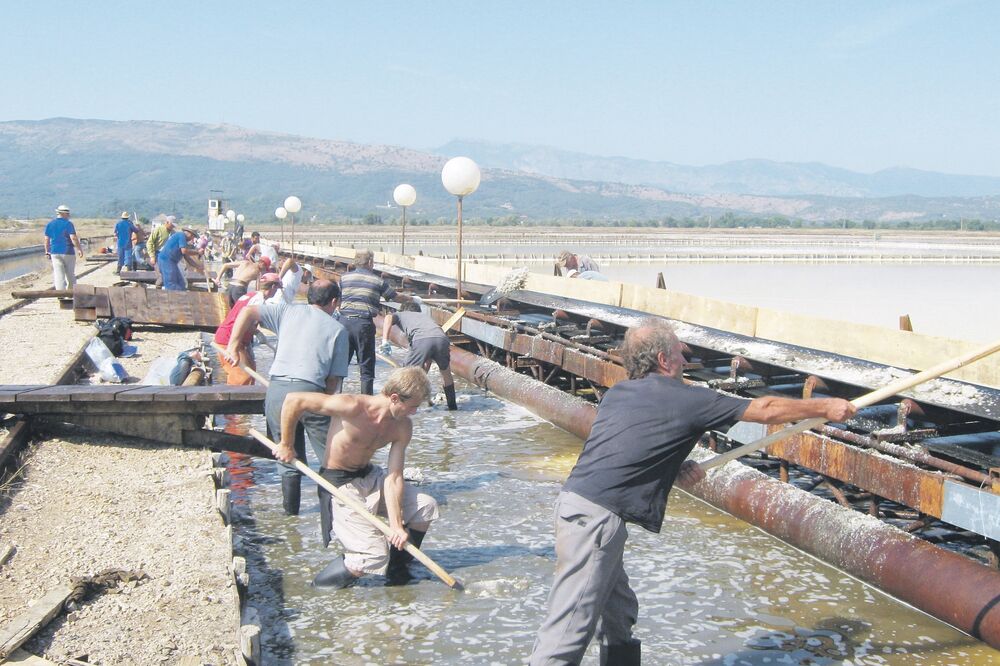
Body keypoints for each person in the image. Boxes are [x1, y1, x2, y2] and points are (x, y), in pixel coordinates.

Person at [529, 318, 856, 666]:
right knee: (567, 631)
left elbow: (627, 450)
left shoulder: (618, 394)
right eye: (679, 353)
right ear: (664, 360)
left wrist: (673, 466)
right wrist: (824, 408)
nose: (685, 361)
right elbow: (765, 409)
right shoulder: (687, 399)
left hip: (577, 507)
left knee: (618, 612)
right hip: (595, 522)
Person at [275, 366, 439, 588]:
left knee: (425, 506)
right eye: (412, 407)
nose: (414, 413)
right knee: (374, 555)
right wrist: (286, 443)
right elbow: (294, 400)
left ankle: (396, 571)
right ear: (394, 398)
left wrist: (396, 525)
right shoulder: (352, 405)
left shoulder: (403, 426)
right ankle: (317, 589)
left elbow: (394, 478)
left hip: (369, 476)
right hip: (338, 483)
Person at [222, 280, 349, 517]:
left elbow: (247, 311)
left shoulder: (287, 311)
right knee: (332, 459)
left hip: (277, 392)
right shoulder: (338, 330)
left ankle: (291, 519)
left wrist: (233, 346)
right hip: (311, 393)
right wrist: (326, 410)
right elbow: (333, 383)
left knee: (288, 457)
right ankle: (334, 518)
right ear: (334, 302)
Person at [338, 249, 401, 395]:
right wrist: (412, 299)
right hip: (363, 325)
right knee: (366, 368)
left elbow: (338, 298)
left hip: (343, 323)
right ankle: (366, 401)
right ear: (370, 262)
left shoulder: (343, 278)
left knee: (339, 366)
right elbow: (395, 297)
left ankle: (334, 399)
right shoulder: (377, 281)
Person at [381, 301, 458, 410]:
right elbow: (428, 361)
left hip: (422, 339)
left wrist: (385, 341)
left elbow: (388, 317)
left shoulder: (401, 314)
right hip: (442, 338)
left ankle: (396, 407)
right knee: (446, 373)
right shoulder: (424, 318)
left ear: (403, 309)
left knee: (405, 374)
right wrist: (422, 381)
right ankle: (453, 408)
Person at [213, 273, 282, 385]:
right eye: (277, 289)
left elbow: (245, 322)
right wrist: (234, 348)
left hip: (232, 339)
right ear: (273, 287)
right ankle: (233, 396)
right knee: (242, 377)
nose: (277, 292)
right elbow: (242, 322)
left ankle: (248, 395)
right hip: (228, 340)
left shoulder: (250, 295)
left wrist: (256, 332)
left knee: (251, 371)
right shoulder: (259, 301)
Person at [44, 205, 84, 290]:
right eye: (68, 214)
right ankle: (71, 293)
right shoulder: (68, 224)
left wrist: (47, 251)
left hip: (55, 252)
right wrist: (79, 249)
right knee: (70, 274)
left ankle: (61, 294)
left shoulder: (50, 224)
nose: (69, 215)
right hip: (68, 251)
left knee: (59, 275)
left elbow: (46, 239)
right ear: (64, 214)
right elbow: (73, 238)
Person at [157, 225, 206, 291]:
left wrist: (197, 266)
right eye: (193, 236)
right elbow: (184, 251)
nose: (192, 239)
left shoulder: (183, 241)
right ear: (190, 234)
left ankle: (182, 294)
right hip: (166, 260)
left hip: (172, 262)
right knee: (171, 283)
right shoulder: (181, 235)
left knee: (181, 283)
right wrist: (198, 252)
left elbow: (187, 258)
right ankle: (173, 296)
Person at [146, 216, 177, 287]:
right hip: (158, 255)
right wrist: (152, 256)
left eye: (173, 226)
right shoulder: (158, 229)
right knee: (161, 275)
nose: (173, 227)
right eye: (172, 225)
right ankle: (158, 289)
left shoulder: (173, 233)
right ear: (167, 222)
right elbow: (150, 243)